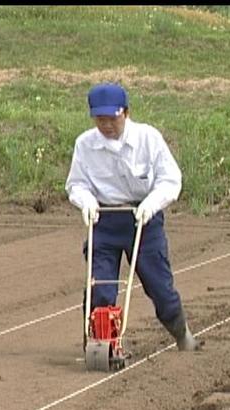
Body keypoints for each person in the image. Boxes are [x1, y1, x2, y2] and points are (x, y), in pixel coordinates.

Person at [65, 82, 201, 351]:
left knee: (159, 286)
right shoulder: (85, 144)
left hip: (143, 220)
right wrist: (87, 202)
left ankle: (182, 334)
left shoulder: (148, 139)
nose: (106, 125)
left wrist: (151, 204)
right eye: (99, 119)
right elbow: (76, 184)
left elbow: (170, 180)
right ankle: (101, 342)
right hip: (103, 221)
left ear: (126, 113)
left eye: (112, 118)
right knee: (100, 286)